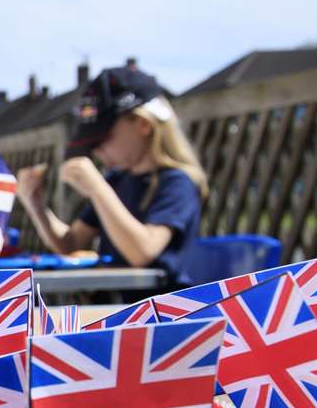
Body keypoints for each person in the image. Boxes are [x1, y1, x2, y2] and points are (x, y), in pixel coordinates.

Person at [15, 65, 206, 287]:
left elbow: (142, 252)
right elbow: (71, 244)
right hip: (119, 310)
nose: (97, 151)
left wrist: (97, 188)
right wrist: (36, 205)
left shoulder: (177, 183)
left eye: (104, 138)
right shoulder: (117, 180)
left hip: (167, 313)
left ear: (144, 125)